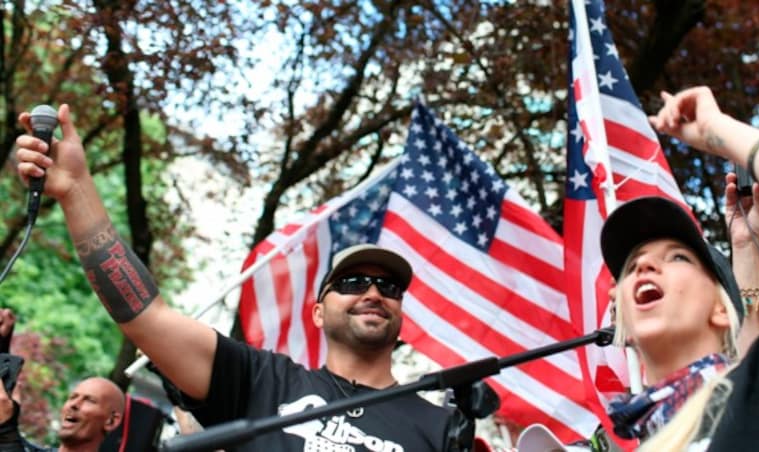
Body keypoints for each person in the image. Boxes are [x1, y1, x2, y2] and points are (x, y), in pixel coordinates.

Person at [13, 105, 462, 451]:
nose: (371, 292)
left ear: (401, 311)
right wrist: (76, 191)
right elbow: (144, 314)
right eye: (350, 283)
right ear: (319, 313)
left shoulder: (439, 427)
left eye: (388, 287)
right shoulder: (262, 380)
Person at [607, 85, 759, 450]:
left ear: (721, 309)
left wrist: (717, 128)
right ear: (624, 327)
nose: (644, 264)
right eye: (631, 267)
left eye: (678, 257)